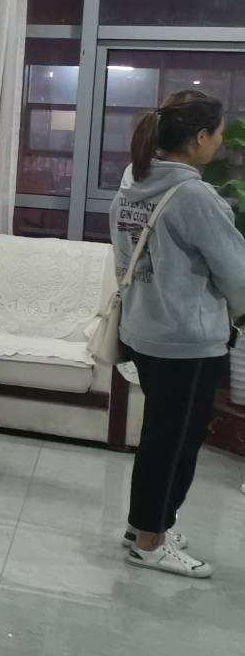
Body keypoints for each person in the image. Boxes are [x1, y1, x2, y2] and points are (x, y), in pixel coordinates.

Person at [114, 90, 245, 578]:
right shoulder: (194, 196)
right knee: (175, 444)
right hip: (187, 341)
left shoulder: (132, 183)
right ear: (198, 138)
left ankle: (145, 526)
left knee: (160, 436)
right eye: (218, 134)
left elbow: (123, 259)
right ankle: (150, 542)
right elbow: (237, 273)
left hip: (144, 329)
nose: (220, 143)